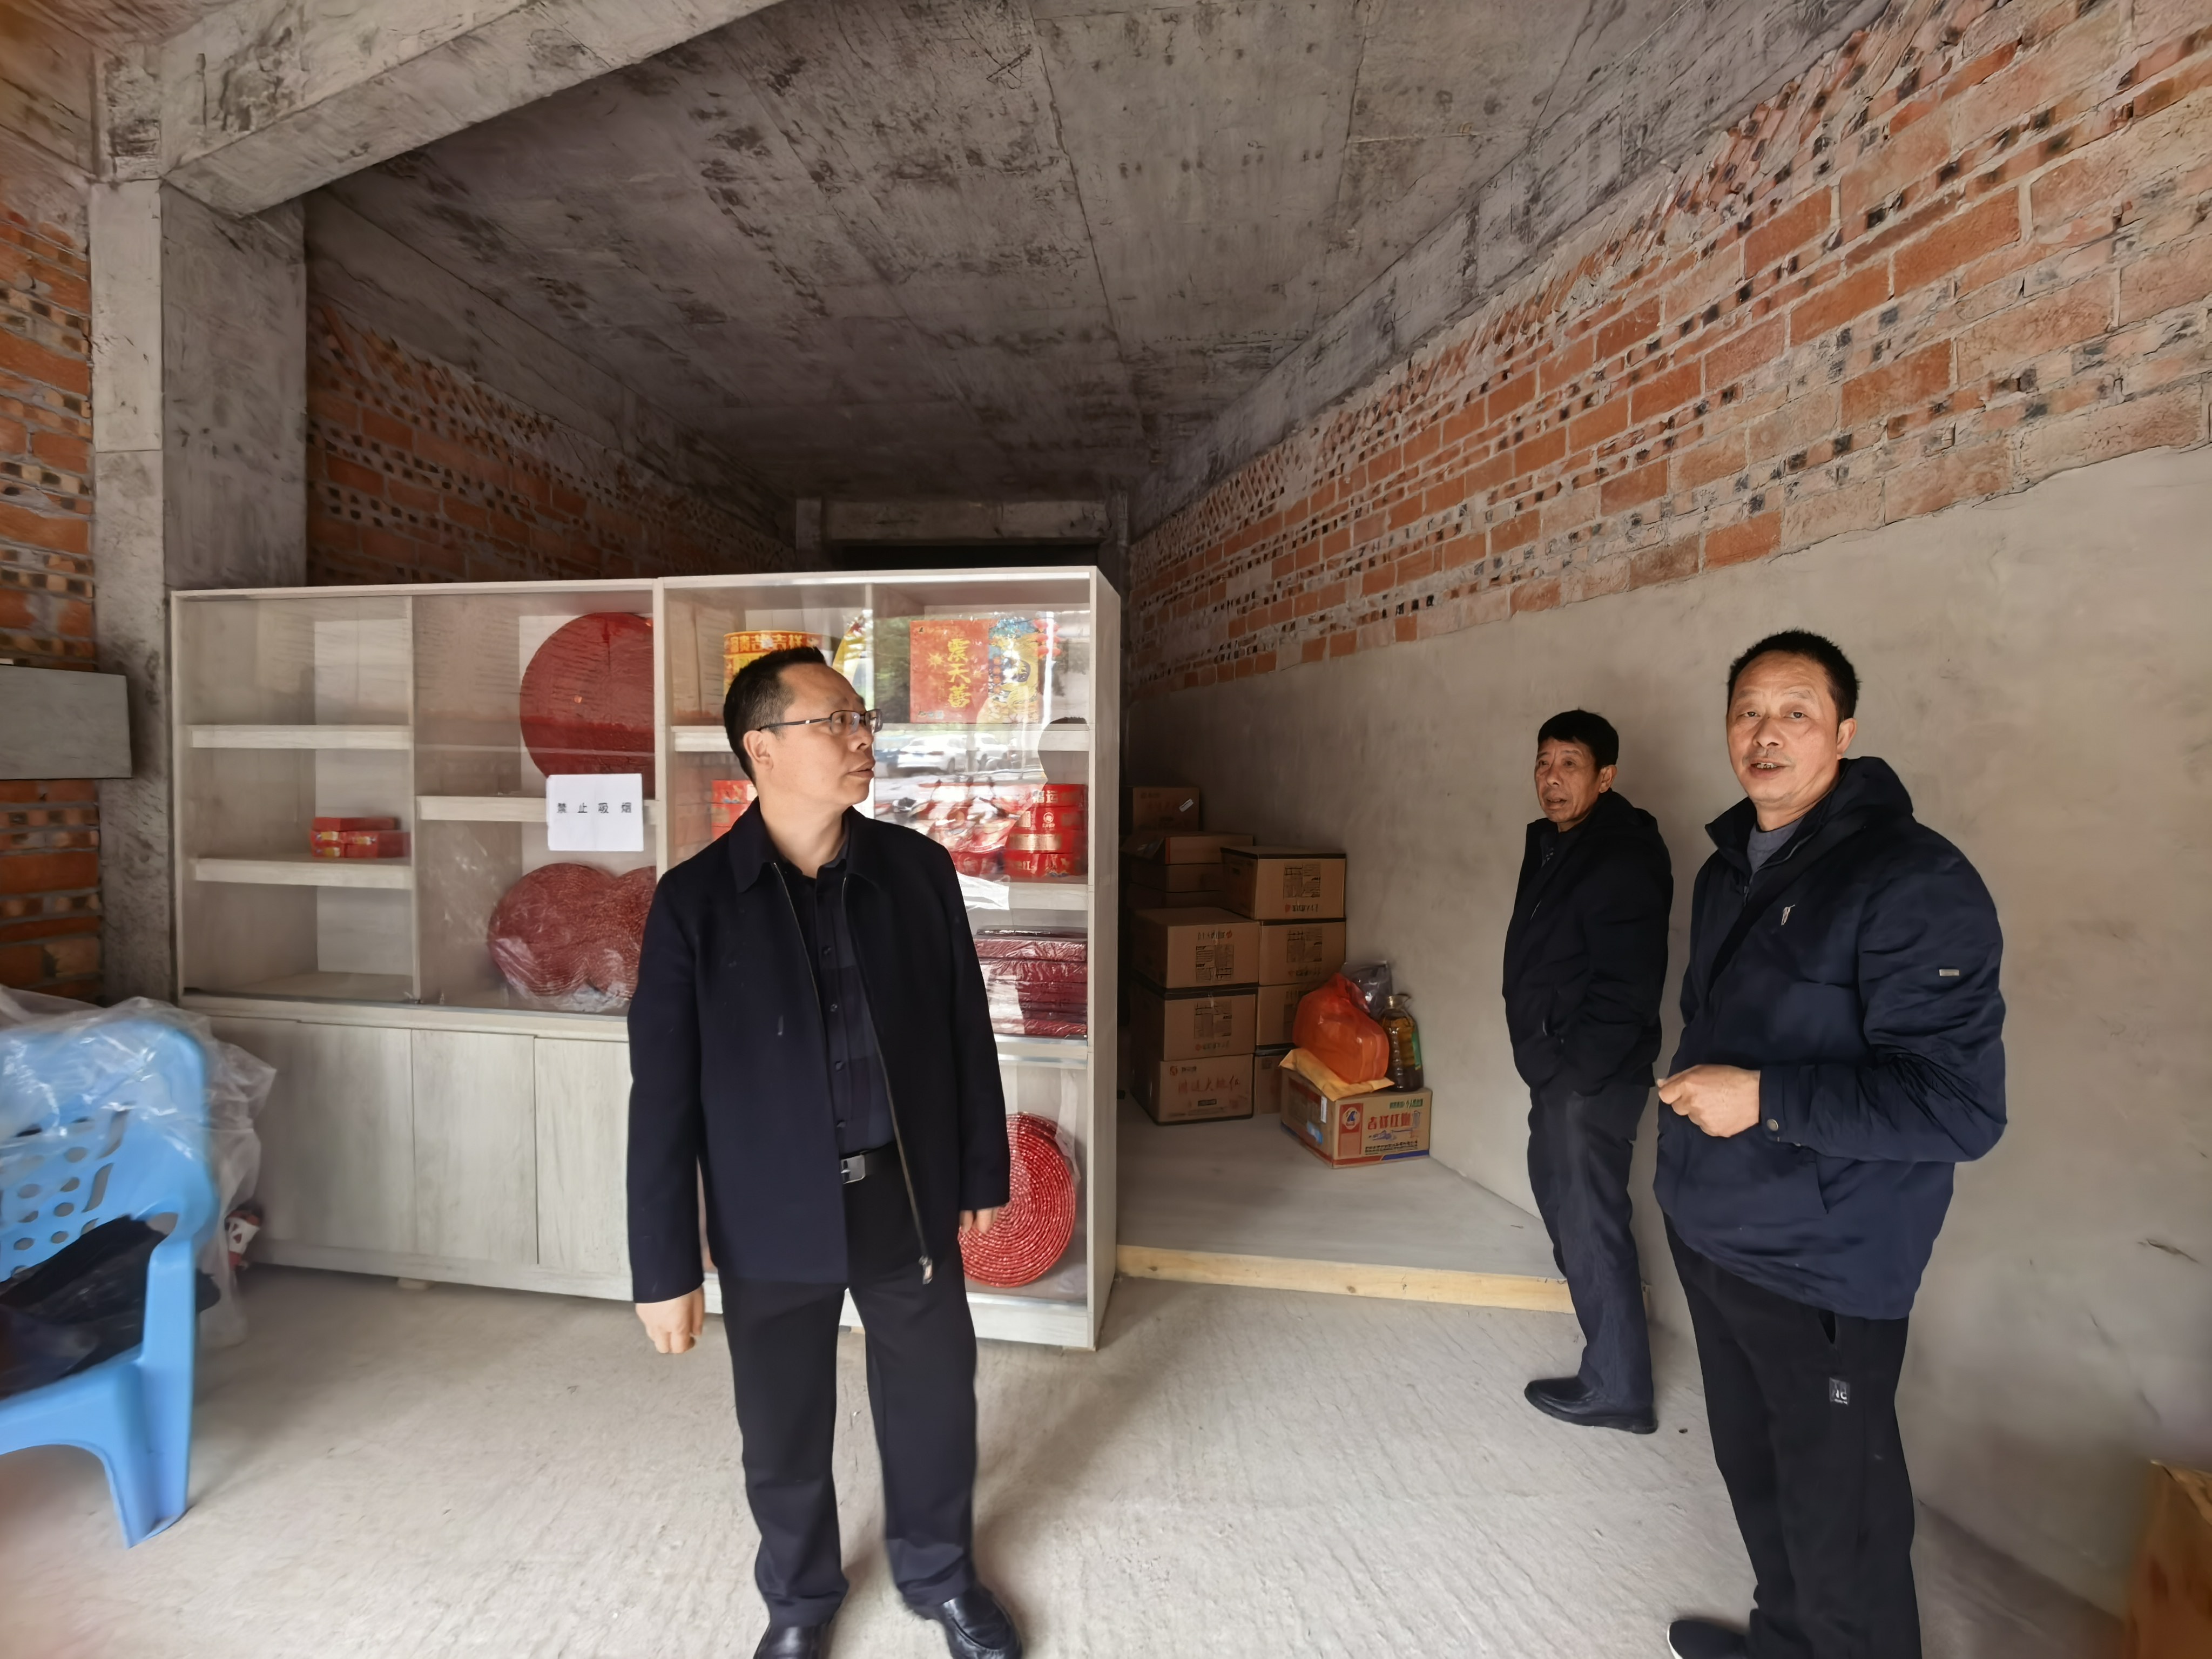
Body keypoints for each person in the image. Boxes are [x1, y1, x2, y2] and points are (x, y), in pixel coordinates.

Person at [626, 645, 1022, 1659]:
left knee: (934, 1400)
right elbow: (661, 1099)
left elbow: (964, 1030)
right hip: (769, 1211)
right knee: (783, 1424)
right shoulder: (694, 902)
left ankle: (940, 1574)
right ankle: (800, 1598)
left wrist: (981, 1167)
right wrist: (664, 1268)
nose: (861, 739)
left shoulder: (916, 872)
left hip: (903, 1192)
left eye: (862, 720)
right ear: (761, 748)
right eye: (834, 721)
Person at [1656, 631, 2006, 1659]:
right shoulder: (1729, 867)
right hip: (1717, 1231)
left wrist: (1765, 1098)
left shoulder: (1912, 878)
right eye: (1748, 712)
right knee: (1757, 1474)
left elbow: (1958, 1108)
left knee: (1838, 1516)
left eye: (1795, 712)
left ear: (1844, 733)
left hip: (1822, 1263)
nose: (1766, 733)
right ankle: (1783, 1641)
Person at [1501, 709, 1673, 1433]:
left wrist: (1573, 1078)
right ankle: (1613, 1363)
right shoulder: (1556, 843)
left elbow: (1627, 988)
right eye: (1544, 763)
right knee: (1567, 1208)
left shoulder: (1622, 857)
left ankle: (1618, 1387)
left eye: (1569, 764)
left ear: (1606, 777)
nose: (1552, 778)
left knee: (1588, 1221)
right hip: (1561, 1073)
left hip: (1590, 1081)